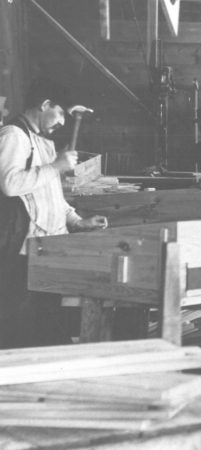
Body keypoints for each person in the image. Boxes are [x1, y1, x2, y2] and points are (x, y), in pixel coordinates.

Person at [0, 77, 107, 349]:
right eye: (60, 112)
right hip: (21, 250)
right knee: (19, 326)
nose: (62, 122)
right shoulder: (13, 135)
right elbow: (10, 184)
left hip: (47, 248)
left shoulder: (44, 142)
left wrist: (77, 220)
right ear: (45, 104)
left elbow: (52, 197)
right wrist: (56, 166)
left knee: (44, 325)